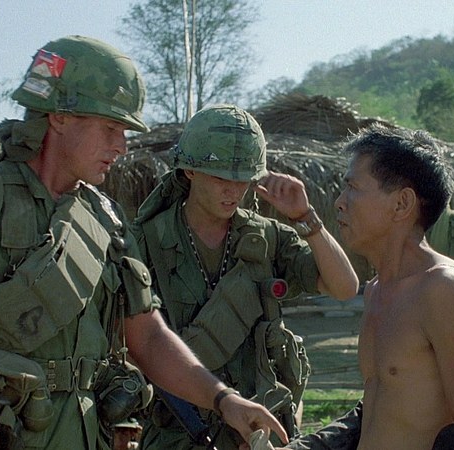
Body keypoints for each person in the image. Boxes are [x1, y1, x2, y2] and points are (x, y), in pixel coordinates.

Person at [0, 36, 287, 450]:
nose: (121, 146)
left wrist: (223, 400)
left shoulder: (106, 221)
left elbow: (148, 336)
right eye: (110, 128)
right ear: (60, 116)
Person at [132, 104, 359, 449]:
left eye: (243, 180)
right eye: (221, 178)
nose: (233, 191)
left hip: (257, 433)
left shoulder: (267, 239)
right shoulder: (145, 241)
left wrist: (306, 218)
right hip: (178, 433)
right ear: (190, 171)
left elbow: (344, 287)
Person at [285, 125, 454, 450]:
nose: (339, 203)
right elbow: (381, 408)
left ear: (402, 203)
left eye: (353, 188)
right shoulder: (377, 290)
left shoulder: (444, 289)